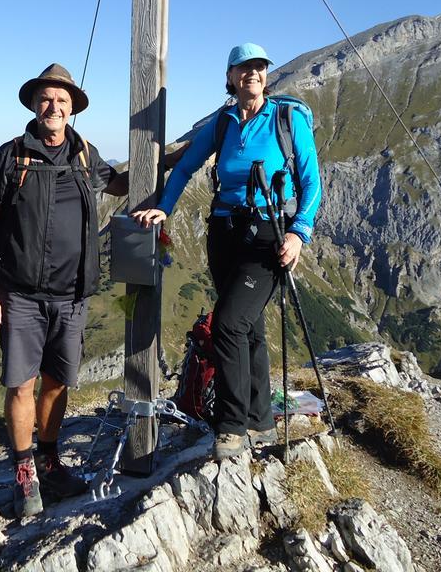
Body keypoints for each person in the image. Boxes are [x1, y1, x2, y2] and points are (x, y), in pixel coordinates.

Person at [132, 42, 321, 461]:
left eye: (259, 67)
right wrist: (165, 208)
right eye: (243, 67)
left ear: (265, 76)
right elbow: (185, 167)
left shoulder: (287, 119)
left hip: (269, 234)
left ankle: (232, 426)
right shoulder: (223, 122)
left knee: (229, 324)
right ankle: (260, 418)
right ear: (231, 77)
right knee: (248, 327)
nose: (252, 73)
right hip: (224, 232)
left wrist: (299, 234)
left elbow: (311, 181)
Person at [0, 63, 127, 518]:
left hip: (72, 295)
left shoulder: (84, 154)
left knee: (58, 384)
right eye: (46, 99)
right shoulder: (12, 155)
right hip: (19, 294)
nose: (53, 106)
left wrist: (174, 157)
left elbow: (118, 184)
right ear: (34, 105)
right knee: (20, 385)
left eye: (62, 100)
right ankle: (23, 473)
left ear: (72, 108)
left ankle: (49, 461)